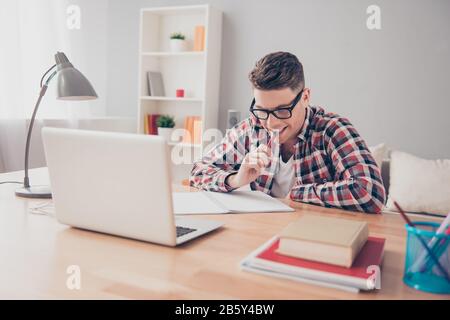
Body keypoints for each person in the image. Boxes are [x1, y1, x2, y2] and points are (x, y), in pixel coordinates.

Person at [190, 51, 386, 213]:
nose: (271, 122)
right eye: (262, 110)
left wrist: (297, 193)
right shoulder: (253, 127)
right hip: (260, 234)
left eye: (282, 110)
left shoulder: (332, 130)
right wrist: (236, 179)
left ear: (305, 97)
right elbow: (198, 172)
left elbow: (370, 192)